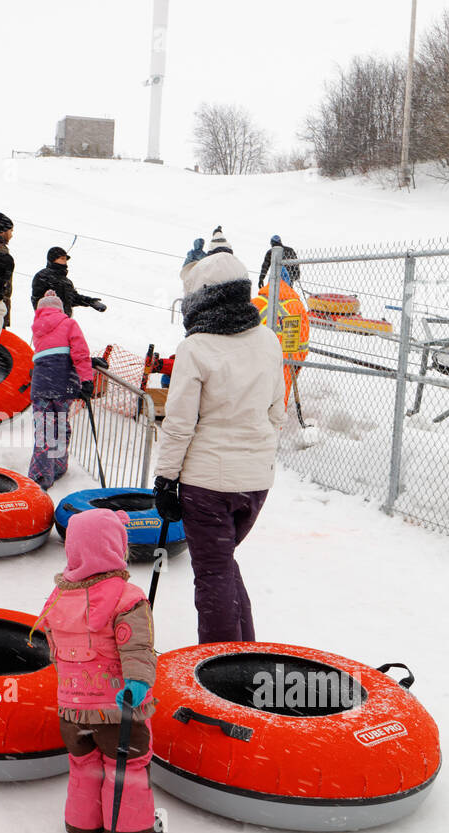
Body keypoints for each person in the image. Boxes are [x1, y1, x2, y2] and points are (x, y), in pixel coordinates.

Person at [153, 228, 286, 645]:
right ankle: (243, 649)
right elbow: (276, 413)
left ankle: (222, 668)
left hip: (206, 485)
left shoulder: (196, 347)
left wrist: (164, 479)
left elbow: (179, 423)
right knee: (223, 565)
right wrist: (256, 455)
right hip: (255, 483)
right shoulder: (268, 339)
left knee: (212, 574)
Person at [35, 507, 160, 833]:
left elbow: (54, 649)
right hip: (118, 711)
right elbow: (137, 647)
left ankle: (82, 826)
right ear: (115, 548)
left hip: (72, 712)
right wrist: (136, 682)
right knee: (128, 768)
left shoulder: (57, 597)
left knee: (83, 765)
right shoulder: (127, 597)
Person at [28, 290, 93, 490]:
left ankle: (40, 474)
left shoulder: (37, 329)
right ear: (60, 309)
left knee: (44, 429)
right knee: (61, 425)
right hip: (63, 381)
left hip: (41, 384)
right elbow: (80, 353)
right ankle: (57, 466)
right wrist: (86, 379)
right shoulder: (69, 324)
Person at [30, 247, 106, 317]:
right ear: (52, 259)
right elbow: (37, 300)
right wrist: (48, 317)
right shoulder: (42, 276)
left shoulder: (66, 281)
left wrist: (90, 301)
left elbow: (73, 298)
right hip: (48, 321)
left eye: (66, 259)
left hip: (64, 321)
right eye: (62, 258)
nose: (65, 261)